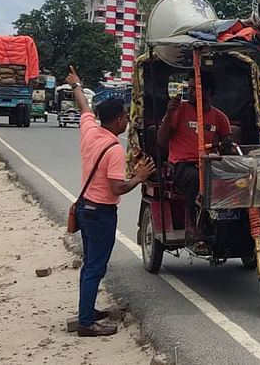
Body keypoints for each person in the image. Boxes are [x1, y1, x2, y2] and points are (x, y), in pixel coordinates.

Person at [66, 65, 155, 337]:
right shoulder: (114, 149)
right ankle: (86, 323)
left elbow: (84, 107)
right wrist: (140, 176)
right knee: (95, 265)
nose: (128, 121)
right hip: (101, 213)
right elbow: (117, 188)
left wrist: (76, 85)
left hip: (84, 209)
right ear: (117, 121)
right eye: (126, 117)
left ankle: (87, 311)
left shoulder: (90, 132)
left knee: (91, 263)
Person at [157, 70, 230, 222]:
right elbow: (161, 140)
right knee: (196, 179)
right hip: (183, 165)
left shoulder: (219, 117)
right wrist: (169, 114)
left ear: (208, 91)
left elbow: (228, 143)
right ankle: (193, 224)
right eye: (188, 88)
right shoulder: (179, 111)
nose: (189, 92)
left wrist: (224, 147)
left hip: (210, 164)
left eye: (194, 88)